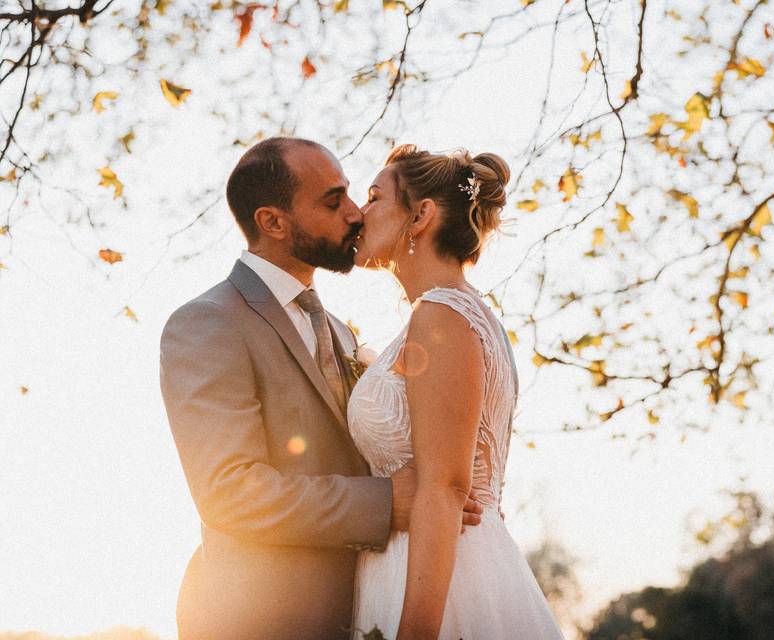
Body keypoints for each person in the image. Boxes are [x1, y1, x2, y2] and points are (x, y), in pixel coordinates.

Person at [159, 137, 482, 640]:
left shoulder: (341, 331)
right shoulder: (207, 323)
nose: (355, 214)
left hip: (363, 609)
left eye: (353, 195)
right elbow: (228, 492)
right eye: (333, 202)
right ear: (273, 222)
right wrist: (384, 503)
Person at [349, 144, 564, 639]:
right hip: (449, 558)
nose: (360, 214)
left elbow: (445, 489)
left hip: (440, 577)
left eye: (374, 197)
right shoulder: (458, 313)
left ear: (421, 215)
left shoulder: (442, 315)